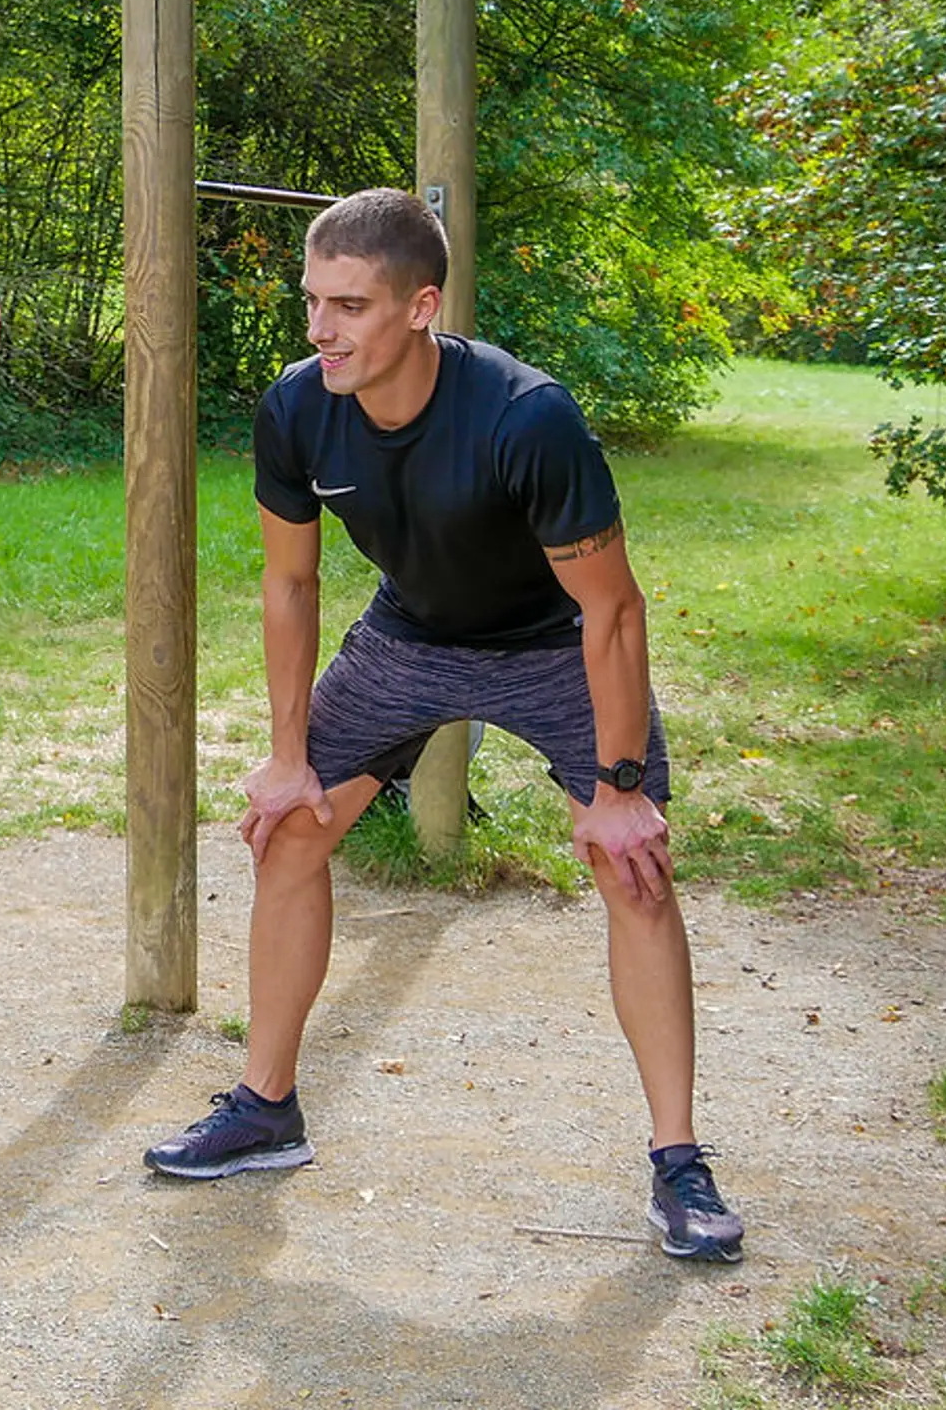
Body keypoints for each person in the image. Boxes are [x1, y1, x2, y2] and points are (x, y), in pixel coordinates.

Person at [142, 188, 744, 1266]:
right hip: (406, 639)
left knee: (633, 870)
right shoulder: (296, 406)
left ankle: (675, 1160)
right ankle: (265, 1106)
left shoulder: (526, 416)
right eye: (310, 302)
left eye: (349, 306)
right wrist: (289, 757)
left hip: (552, 644)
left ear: (420, 306)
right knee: (289, 831)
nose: (320, 329)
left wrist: (616, 788)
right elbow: (289, 584)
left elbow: (612, 608)